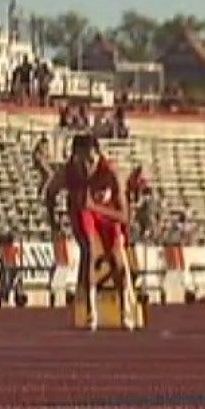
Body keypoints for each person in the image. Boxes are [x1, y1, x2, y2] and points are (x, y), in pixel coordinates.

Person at [44, 133, 138, 330]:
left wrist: (96, 207)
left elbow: (123, 216)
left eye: (91, 161)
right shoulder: (67, 172)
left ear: (98, 156)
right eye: (81, 162)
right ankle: (91, 311)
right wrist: (53, 220)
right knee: (89, 250)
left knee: (116, 257)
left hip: (106, 211)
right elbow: (50, 193)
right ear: (73, 158)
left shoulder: (110, 173)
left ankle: (124, 311)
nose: (87, 168)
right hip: (82, 209)